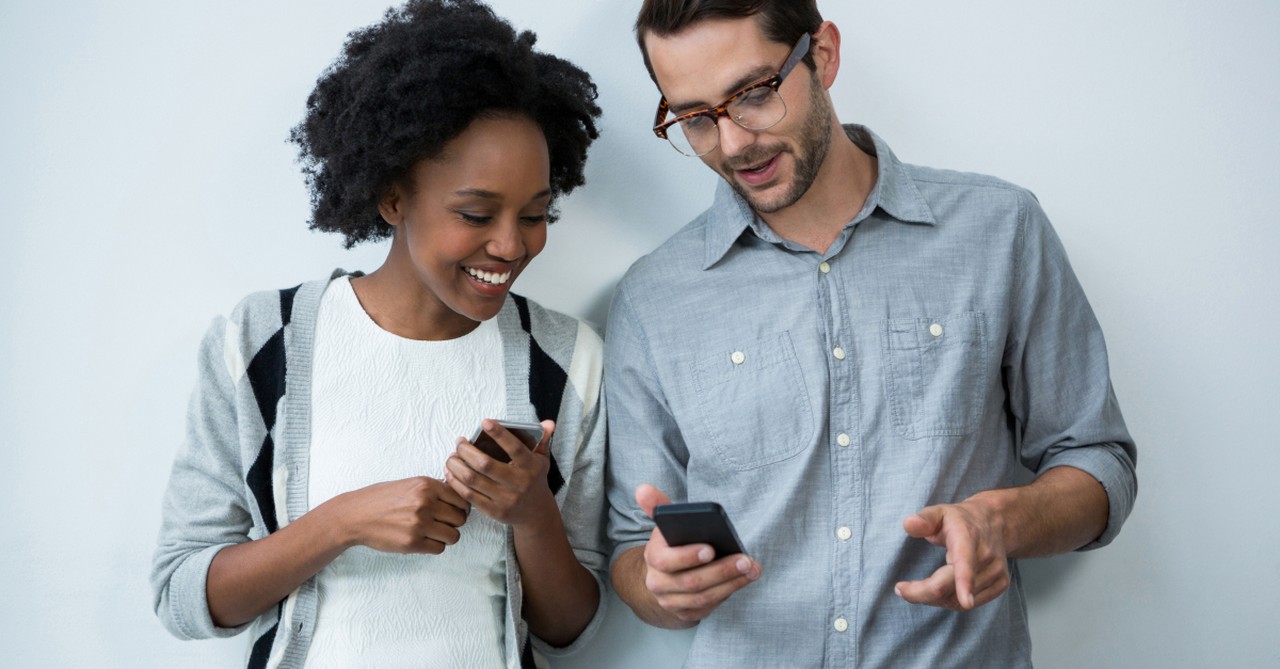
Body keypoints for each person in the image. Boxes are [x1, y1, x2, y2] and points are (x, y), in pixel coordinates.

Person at [605, 1, 1138, 666]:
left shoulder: (1001, 231)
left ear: (822, 56)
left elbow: (1098, 463)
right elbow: (630, 549)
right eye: (695, 117)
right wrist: (660, 586)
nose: (734, 142)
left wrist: (1001, 522)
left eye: (753, 94)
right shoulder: (652, 298)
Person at [151, 1, 607, 667]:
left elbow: (572, 629)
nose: (511, 244)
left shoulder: (567, 360)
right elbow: (181, 594)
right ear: (393, 198)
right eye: (476, 212)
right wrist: (341, 523)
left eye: (536, 213)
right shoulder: (260, 340)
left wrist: (533, 513)